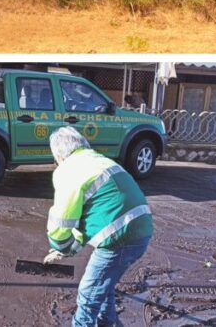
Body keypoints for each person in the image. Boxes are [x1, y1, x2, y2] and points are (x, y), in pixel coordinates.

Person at [43, 127, 153, 327]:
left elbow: (62, 222)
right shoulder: (98, 160)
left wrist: (60, 246)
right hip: (140, 229)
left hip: (119, 235)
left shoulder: (68, 170)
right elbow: (93, 216)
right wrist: (67, 251)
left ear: (58, 154)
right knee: (104, 285)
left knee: (89, 293)